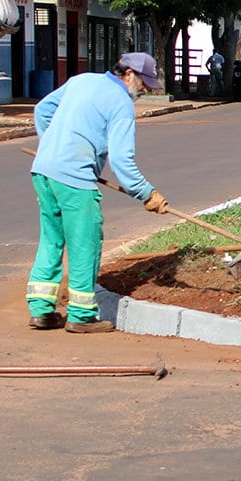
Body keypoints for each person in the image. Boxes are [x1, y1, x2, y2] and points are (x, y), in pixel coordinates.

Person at [26, 52, 169, 334]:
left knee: (52, 238)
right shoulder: (121, 104)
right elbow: (121, 160)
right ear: (128, 74)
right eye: (143, 83)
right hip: (73, 179)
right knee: (85, 243)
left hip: (43, 171)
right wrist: (146, 193)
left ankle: (41, 309)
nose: (144, 90)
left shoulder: (82, 80)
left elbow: (42, 111)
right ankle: (80, 315)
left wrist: (54, 147)